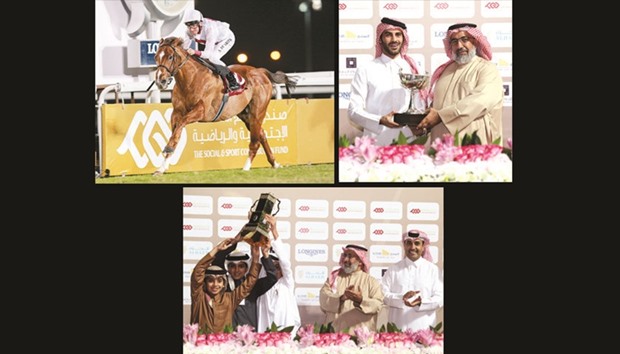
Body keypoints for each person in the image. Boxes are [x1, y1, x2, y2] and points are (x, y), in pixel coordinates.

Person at [417, 22, 503, 145]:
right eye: (454, 41)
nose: (459, 45)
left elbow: (481, 101)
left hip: (472, 143)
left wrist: (441, 116)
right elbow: (436, 105)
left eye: (465, 39)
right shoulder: (444, 71)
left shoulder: (487, 69)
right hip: (441, 144)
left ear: (475, 42)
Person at [347, 17, 427, 146]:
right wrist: (379, 120)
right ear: (380, 39)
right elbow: (353, 111)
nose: (394, 40)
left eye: (398, 35)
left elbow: (419, 108)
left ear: (404, 38)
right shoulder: (366, 69)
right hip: (374, 144)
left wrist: (420, 127)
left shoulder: (413, 69)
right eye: (388, 35)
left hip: (408, 142)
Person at [190, 237, 261, 333]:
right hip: (201, 345)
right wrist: (216, 249)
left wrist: (255, 259)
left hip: (224, 345)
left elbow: (250, 281)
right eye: (211, 280)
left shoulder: (230, 299)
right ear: (205, 283)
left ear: (224, 283)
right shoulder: (199, 297)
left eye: (219, 280)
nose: (215, 284)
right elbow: (198, 271)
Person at [381, 230, 443, 332]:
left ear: (423, 247)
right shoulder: (393, 269)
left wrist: (421, 302)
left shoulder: (433, 270)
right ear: (404, 245)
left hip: (424, 331)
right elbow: (383, 295)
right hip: (397, 330)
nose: (412, 247)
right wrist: (401, 298)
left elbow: (440, 298)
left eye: (417, 243)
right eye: (408, 243)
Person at [319, 244, 384, 334]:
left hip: (361, 338)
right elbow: (323, 299)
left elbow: (377, 305)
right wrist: (341, 298)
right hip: (335, 336)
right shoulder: (334, 278)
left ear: (361, 261)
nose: (345, 260)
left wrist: (360, 300)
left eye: (350, 256)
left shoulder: (371, 282)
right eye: (345, 255)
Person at [256, 214, 301, 337]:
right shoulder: (262, 283)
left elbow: (285, 262)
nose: (275, 270)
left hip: (285, 341)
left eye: (277, 266)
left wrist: (274, 230)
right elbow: (255, 262)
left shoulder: (287, 283)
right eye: (271, 266)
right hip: (263, 339)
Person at [182, 9, 241, 92]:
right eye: (189, 27)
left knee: (213, 58)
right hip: (214, 41)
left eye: (194, 27)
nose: (192, 30)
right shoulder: (188, 31)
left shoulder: (210, 29)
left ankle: (233, 80)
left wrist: (195, 52)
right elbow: (184, 48)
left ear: (200, 24)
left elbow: (208, 54)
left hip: (226, 39)